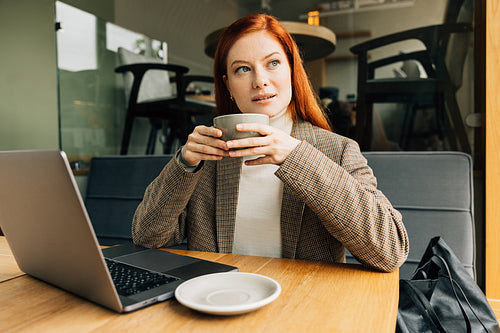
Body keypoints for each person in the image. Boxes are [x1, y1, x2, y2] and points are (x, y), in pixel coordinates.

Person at [132, 14, 409, 272]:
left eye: (273, 63)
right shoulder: (208, 155)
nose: (260, 81)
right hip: (218, 304)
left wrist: (296, 156)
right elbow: (147, 238)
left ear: (291, 70)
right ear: (228, 84)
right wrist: (184, 164)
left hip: (302, 311)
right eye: (243, 69)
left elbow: (390, 251)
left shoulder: (336, 150)